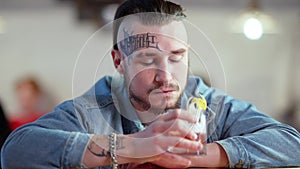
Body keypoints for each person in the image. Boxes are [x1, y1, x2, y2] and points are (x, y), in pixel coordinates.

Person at [1, 0, 300, 168]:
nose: (166, 75)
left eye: (177, 57)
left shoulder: (208, 102)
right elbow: (15, 152)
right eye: (146, 59)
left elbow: (291, 144)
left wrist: (196, 157)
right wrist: (132, 146)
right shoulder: (93, 108)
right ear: (119, 61)